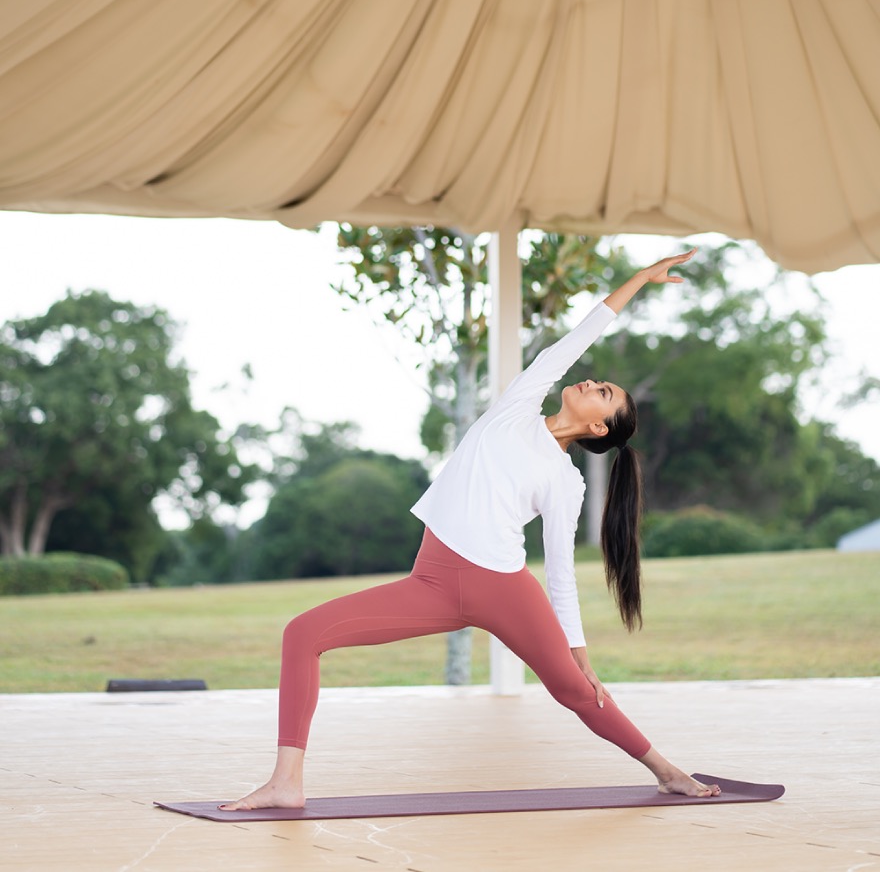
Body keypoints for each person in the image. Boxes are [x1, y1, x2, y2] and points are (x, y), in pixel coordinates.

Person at [220, 247, 721, 810]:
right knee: (302, 634)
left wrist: (577, 649)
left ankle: (666, 770)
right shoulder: (518, 405)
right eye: (600, 380)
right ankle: (287, 783)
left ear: (598, 425)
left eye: (603, 392)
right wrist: (638, 281)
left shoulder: (565, 481)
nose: (593, 380)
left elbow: (560, 568)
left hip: (503, 588)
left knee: (577, 691)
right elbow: (575, 339)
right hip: (432, 580)